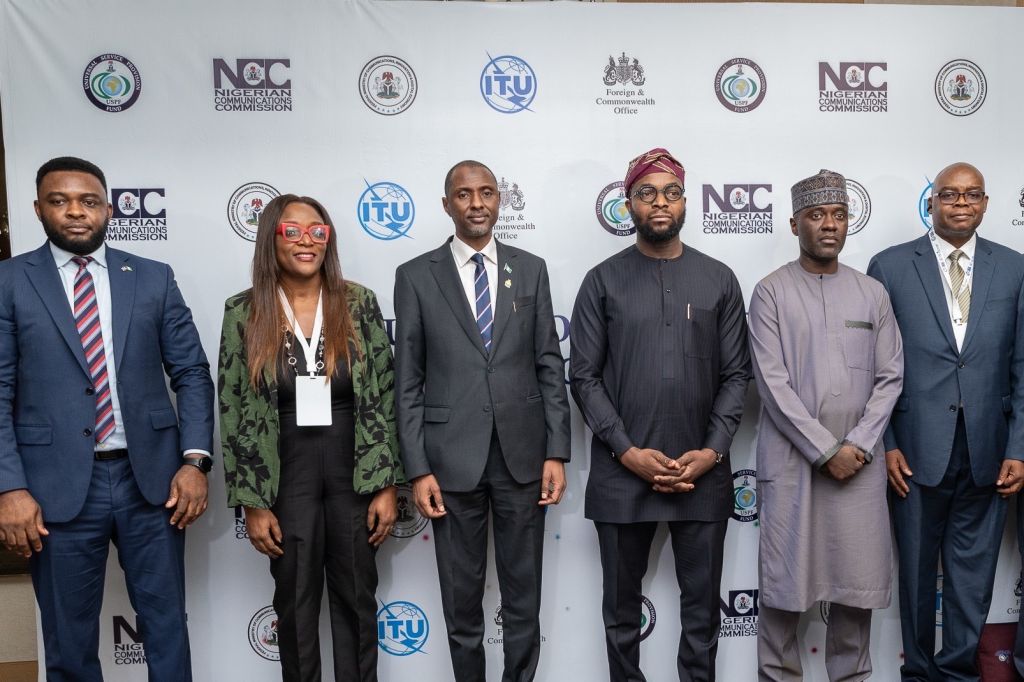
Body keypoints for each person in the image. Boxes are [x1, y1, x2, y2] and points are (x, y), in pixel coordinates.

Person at [0, 156, 214, 681]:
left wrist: (195, 461)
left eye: (88, 201)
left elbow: (191, 373)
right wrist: (10, 488)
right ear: (37, 209)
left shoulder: (152, 277)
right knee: (68, 641)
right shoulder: (9, 280)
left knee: (166, 627)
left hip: (153, 482)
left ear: (108, 209)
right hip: (55, 489)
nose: (76, 212)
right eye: (60, 200)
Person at [569, 147, 751, 682]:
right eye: (646, 193)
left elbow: (737, 375)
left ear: (686, 201)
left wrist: (712, 452)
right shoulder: (601, 281)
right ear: (628, 205)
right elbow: (584, 376)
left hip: (703, 475)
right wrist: (626, 451)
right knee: (621, 617)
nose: (660, 203)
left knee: (702, 617)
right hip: (622, 477)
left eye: (671, 192)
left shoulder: (719, 279)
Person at [393, 160, 571, 682]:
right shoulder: (415, 275)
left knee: (524, 599)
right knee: (461, 603)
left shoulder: (530, 268)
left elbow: (548, 365)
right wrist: (418, 467)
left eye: (487, 192)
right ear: (446, 204)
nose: (477, 202)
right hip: (450, 462)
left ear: (500, 201)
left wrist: (555, 450)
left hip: (523, 458)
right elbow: (408, 380)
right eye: (464, 194)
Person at [219, 194, 403, 682]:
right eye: (293, 231)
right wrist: (252, 502)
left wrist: (386, 483)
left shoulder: (358, 301)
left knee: (358, 601)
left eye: (318, 230)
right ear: (270, 239)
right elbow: (233, 407)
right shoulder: (243, 310)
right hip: (285, 471)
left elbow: (384, 393)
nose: (307, 240)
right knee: (295, 604)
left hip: (354, 469)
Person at [868, 162, 1024, 681]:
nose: (961, 204)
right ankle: (918, 673)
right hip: (912, 451)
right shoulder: (889, 267)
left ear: (985, 203)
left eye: (972, 195)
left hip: (990, 450)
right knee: (914, 574)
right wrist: (885, 441)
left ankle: (959, 673)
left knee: (972, 577)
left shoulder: (1014, 267)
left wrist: (1018, 446)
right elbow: (875, 367)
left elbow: (1022, 365)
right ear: (931, 201)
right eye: (950, 195)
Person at [749, 170, 903, 681]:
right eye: (817, 215)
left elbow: (890, 377)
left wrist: (856, 447)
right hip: (795, 465)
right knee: (783, 591)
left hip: (857, 469)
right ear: (795, 223)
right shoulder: (770, 292)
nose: (829, 225)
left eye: (838, 215)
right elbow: (772, 384)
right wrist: (824, 449)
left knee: (854, 593)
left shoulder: (872, 293)